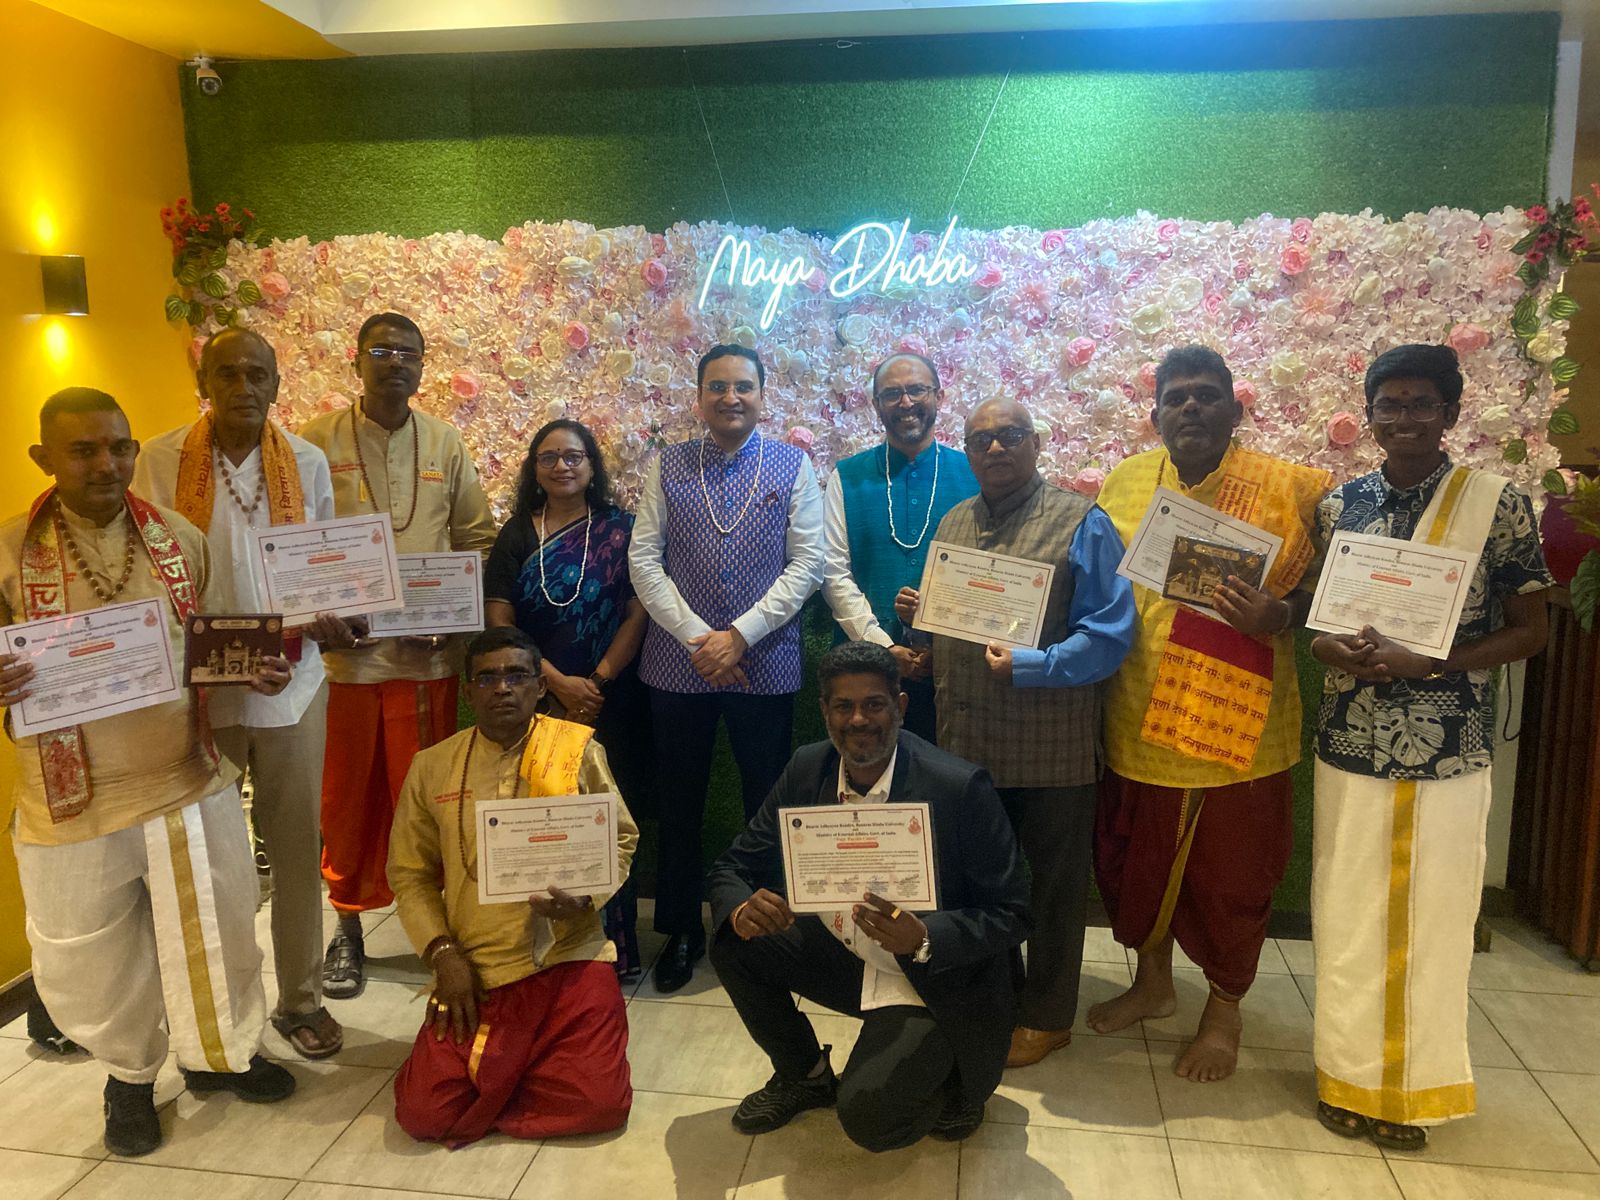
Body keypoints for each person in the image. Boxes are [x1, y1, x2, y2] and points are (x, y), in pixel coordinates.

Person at [0, 389, 296, 1157]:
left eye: (119, 447)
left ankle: (223, 1053)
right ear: (43, 458)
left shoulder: (179, 537)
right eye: (84, 450)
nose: (107, 464)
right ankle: (129, 1077)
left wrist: (252, 669)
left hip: (184, 777)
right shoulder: (8, 553)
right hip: (71, 799)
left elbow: (212, 644)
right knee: (93, 954)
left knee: (221, 928)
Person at [1309, 344, 1551, 1150]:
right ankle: (1343, 1078)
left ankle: (1413, 1093)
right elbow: (1317, 621)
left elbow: (1531, 629)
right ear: (1369, 415)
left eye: (1421, 404)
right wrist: (1330, 648)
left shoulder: (1496, 503)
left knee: (1434, 925)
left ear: (1449, 413)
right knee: (1347, 916)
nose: (1405, 418)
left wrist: (1435, 662)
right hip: (1350, 741)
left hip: (1448, 747)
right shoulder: (1340, 506)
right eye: (1390, 404)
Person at [1087, 345, 1332, 1082]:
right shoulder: (1127, 481)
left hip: (1239, 725)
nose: (1190, 406)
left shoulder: (1291, 490)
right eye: (1175, 397)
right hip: (1136, 714)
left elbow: (1331, 589)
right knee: (1133, 864)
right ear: (1156, 414)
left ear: (1236, 408)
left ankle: (1224, 1010)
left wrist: (1280, 614)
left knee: (1232, 880)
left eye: (1205, 394)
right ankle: (1153, 984)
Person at [707, 642, 1030, 1149]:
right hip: (846, 952)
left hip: (932, 975)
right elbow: (732, 867)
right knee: (734, 940)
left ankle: (952, 1081)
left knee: (870, 1120)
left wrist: (925, 937)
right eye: (844, 706)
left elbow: (1013, 912)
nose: (858, 719)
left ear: (900, 706)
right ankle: (806, 1076)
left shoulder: (958, 786)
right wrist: (742, 907)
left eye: (874, 704)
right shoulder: (807, 767)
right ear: (825, 711)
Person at [895, 397, 1135, 1068]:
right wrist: (921, 630)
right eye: (981, 440)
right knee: (980, 885)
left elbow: (1110, 634)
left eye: (1009, 435)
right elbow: (957, 621)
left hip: (1051, 747)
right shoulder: (954, 520)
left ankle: (1048, 1016)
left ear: (1035, 443)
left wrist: (1035, 665)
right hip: (966, 745)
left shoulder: (1082, 522)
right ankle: (994, 996)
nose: (995, 448)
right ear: (967, 453)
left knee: (1054, 889)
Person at [133, 327, 344, 1059]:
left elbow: (323, 564)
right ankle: (221, 1009)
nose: (243, 387)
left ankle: (302, 999)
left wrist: (333, 613)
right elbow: (150, 575)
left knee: (296, 849)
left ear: (277, 385)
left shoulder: (307, 461)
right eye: (227, 372)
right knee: (212, 860)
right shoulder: (159, 460)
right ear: (205, 381)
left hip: (293, 685)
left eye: (258, 374)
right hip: (203, 693)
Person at [299, 312, 498, 999]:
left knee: (429, 799)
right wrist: (315, 613)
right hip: (344, 667)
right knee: (347, 800)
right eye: (381, 351)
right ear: (355, 361)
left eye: (407, 353)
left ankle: (439, 926)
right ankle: (347, 928)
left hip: (426, 665)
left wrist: (453, 619)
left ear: (422, 365)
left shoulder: (444, 440)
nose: (395, 363)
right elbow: (294, 543)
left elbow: (476, 537)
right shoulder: (315, 441)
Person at [387, 626, 637, 1146]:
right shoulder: (431, 766)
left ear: (540, 687)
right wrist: (442, 954)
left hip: (569, 954)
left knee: (602, 1105)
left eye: (517, 675)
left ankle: (503, 1086)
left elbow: (621, 837)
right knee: (424, 1116)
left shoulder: (576, 750)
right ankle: (522, 1077)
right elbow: (409, 875)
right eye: (487, 678)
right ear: (468, 690)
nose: (503, 688)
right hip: (474, 965)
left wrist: (586, 898)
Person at [629, 344, 825, 993]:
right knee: (679, 802)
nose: (730, 397)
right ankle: (681, 928)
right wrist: (700, 640)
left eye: (743, 386)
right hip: (676, 662)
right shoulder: (668, 465)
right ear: (699, 398)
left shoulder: (793, 465)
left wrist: (738, 637)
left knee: (766, 802)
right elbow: (644, 559)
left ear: (763, 396)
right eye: (717, 386)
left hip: (763, 660)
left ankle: (760, 929)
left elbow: (808, 564)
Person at [485, 419, 650, 981]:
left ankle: (616, 946)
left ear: (591, 466)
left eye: (574, 456)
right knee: (544, 820)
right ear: (534, 469)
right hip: (535, 699)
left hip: (612, 700)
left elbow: (637, 613)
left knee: (605, 814)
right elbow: (500, 620)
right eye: (549, 457)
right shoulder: (515, 535)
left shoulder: (621, 530)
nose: (562, 466)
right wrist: (555, 682)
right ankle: (541, 946)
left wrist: (596, 683)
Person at [822, 352, 977, 741]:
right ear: (877, 405)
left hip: (957, 669)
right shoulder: (848, 476)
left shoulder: (975, 473)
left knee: (952, 772)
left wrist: (945, 645)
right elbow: (834, 572)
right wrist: (883, 646)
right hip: (865, 672)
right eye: (892, 394)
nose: (906, 402)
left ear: (939, 396)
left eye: (917, 390)